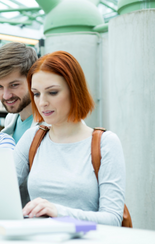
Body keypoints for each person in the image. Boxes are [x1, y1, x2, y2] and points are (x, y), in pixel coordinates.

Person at [14, 51, 125, 226]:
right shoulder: (33, 137)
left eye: (52, 92)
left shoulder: (105, 143)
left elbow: (113, 219)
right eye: (36, 93)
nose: (42, 102)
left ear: (74, 90)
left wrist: (59, 212)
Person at [0, 42, 38, 143]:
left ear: (32, 79)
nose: (6, 96)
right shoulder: (10, 119)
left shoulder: (51, 124)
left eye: (14, 85)